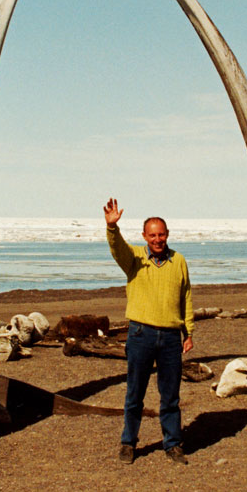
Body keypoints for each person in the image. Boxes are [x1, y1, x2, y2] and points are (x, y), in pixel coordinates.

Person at [103, 198, 194, 465]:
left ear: (167, 235)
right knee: (135, 393)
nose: (158, 239)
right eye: (152, 235)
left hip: (169, 338)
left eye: (161, 234)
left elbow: (186, 296)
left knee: (170, 396)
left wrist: (188, 332)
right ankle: (128, 443)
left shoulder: (178, 261)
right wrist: (112, 228)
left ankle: (173, 444)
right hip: (140, 335)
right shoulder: (134, 259)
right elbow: (117, 249)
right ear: (144, 236)